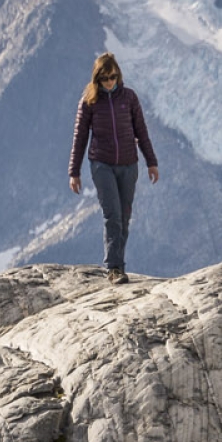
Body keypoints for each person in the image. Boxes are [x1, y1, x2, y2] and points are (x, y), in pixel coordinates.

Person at [67, 52, 160, 284]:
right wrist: (74, 171)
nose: (110, 82)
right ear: (97, 79)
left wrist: (151, 161)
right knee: (113, 216)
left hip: (129, 165)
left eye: (113, 77)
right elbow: (80, 137)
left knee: (124, 217)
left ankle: (119, 264)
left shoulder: (129, 98)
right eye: (105, 78)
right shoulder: (89, 102)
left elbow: (142, 131)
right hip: (102, 165)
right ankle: (114, 268)